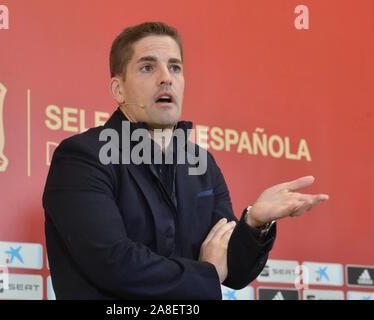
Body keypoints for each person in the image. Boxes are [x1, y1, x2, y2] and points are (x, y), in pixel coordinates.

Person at [42, 22, 329, 299]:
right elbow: (112, 262)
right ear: (119, 90)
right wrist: (206, 272)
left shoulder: (201, 163)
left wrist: (253, 224)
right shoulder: (82, 157)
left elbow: (234, 272)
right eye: (147, 67)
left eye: (175, 67)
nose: (166, 77)